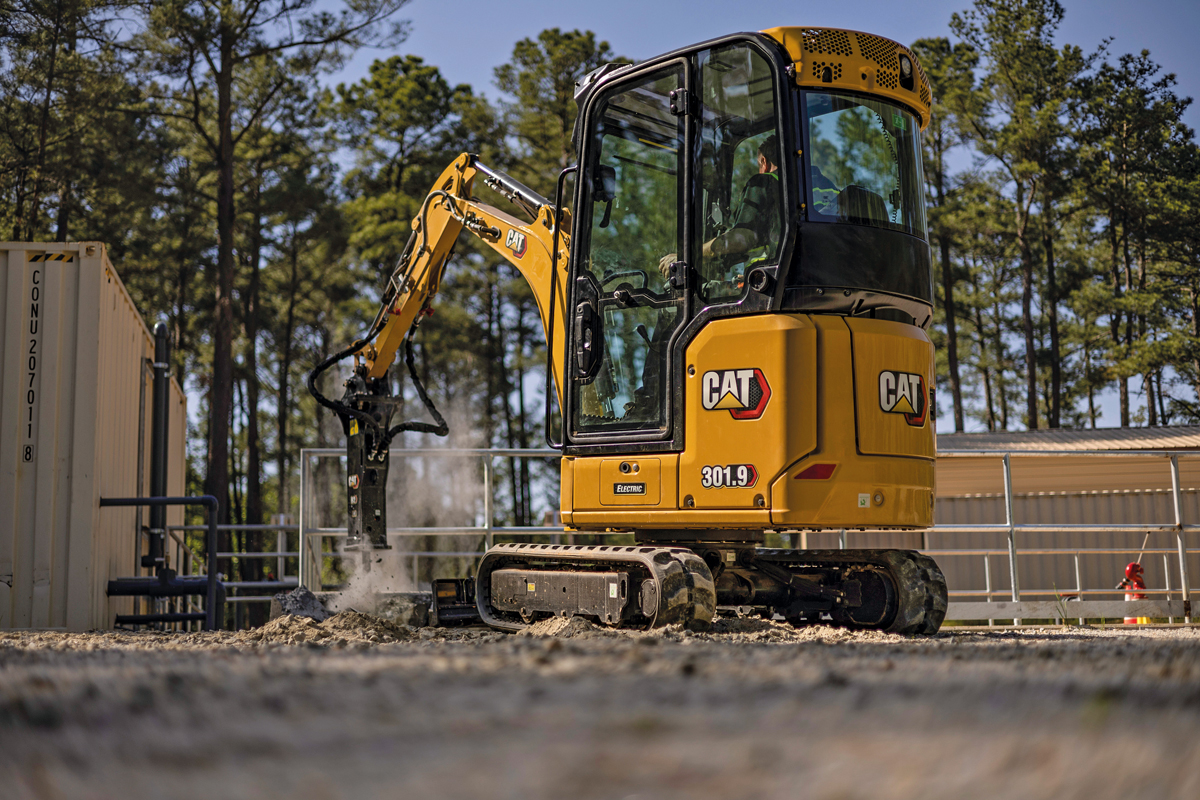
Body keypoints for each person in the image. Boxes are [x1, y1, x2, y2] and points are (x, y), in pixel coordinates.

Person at [658, 134, 782, 281]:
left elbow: (743, 237)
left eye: (758, 165)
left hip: (772, 282)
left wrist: (690, 256)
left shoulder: (764, 182)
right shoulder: (798, 190)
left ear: (764, 162)